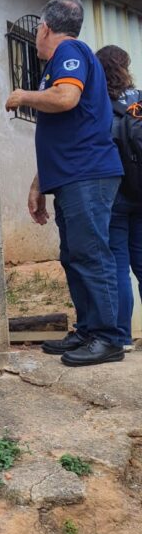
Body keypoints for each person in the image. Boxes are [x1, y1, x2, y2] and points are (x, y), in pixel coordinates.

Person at [5, 0, 125, 366]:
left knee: (91, 254)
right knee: (74, 256)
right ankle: (89, 330)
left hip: (88, 174)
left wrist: (23, 95)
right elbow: (64, 131)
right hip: (71, 174)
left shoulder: (69, 51)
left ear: (43, 28)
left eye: (38, 32)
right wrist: (39, 183)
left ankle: (108, 338)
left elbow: (66, 98)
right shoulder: (62, 61)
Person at [97, 44, 142, 350]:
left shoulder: (99, 103)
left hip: (115, 194)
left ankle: (122, 336)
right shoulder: (139, 101)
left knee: (118, 266)